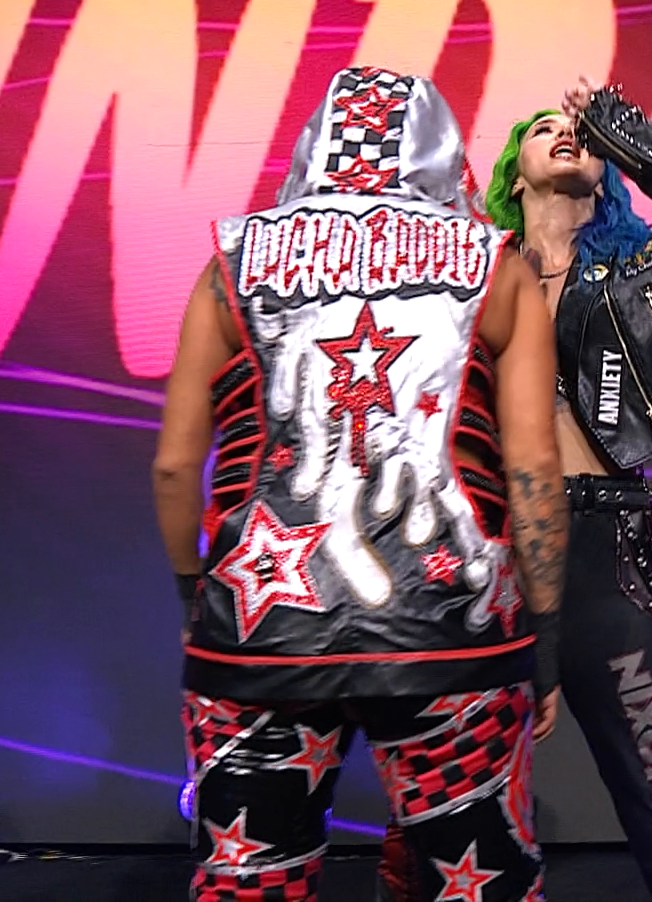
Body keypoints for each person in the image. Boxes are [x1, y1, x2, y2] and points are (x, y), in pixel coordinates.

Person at [152, 66, 569, 902]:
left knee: (251, 881)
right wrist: (546, 640)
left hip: (258, 627)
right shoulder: (495, 264)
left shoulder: (232, 261)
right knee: (477, 885)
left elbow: (173, 465)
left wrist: (195, 593)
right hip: (453, 634)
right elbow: (533, 469)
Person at [393, 79, 652, 902]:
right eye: (545, 129)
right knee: (445, 797)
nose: (568, 135)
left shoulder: (639, 274)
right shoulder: (470, 281)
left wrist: (618, 124)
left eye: (582, 134)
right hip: (482, 552)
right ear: (511, 174)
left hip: (604, 549)